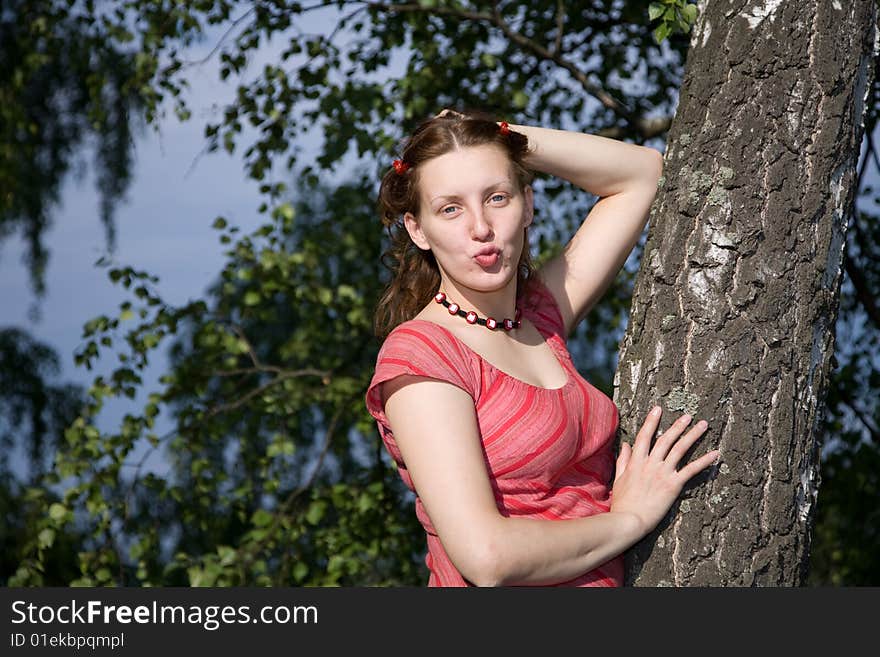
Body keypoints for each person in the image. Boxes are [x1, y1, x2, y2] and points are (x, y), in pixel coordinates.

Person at [364, 108, 720, 587]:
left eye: (497, 197)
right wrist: (631, 520)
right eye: (450, 208)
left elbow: (641, 174)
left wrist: (502, 134)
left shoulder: (540, 317)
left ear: (527, 205)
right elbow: (486, 558)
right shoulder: (421, 354)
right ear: (418, 230)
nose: (481, 227)